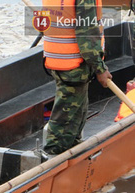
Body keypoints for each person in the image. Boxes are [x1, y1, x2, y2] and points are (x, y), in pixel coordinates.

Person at [41, 0, 112, 160]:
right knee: (66, 123)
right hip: (74, 65)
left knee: (76, 116)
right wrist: (100, 68)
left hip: (58, 60)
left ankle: (73, 153)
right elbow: (87, 35)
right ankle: (51, 163)